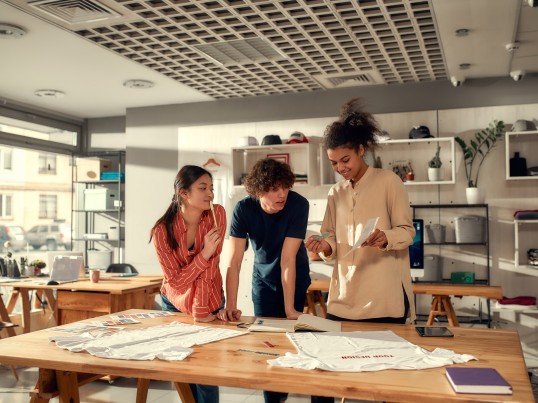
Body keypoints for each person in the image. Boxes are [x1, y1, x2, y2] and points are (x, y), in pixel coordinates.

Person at [305, 98, 416, 328]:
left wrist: (386, 237)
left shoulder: (389, 182)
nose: (340, 168)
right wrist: (324, 246)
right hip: (342, 299)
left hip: (383, 300)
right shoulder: (335, 192)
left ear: (361, 150)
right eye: (333, 163)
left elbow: (407, 232)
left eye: (345, 160)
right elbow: (330, 240)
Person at [217, 157, 311, 403]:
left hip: (295, 277)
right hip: (263, 280)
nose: (282, 194)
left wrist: (290, 309)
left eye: (285, 187)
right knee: (267, 343)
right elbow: (234, 261)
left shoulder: (298, 205)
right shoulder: (243, 209)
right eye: (274, 189)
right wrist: (230, 304)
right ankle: (273, 397)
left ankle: (286, 387)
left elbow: (288, 260)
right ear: (258, 190)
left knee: (290, 340)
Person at [149, 165, 226, 403]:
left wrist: (202, 311)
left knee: (207, 372)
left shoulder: (217, 214)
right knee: (183, 368)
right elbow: (177, 283)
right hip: (175, 304)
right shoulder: (162, 231)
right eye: (202, 188)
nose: (210, 194)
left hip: (209, 301)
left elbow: (211, 268)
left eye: (211, 188)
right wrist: (203, 254)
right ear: (184, 193)